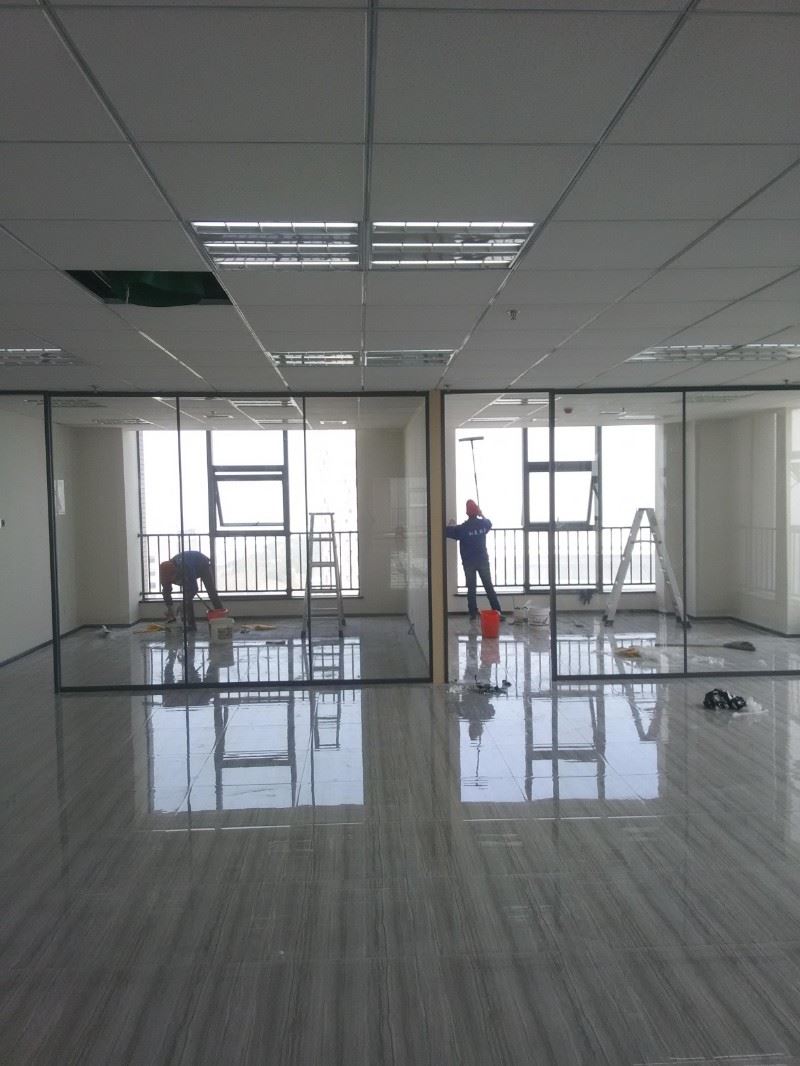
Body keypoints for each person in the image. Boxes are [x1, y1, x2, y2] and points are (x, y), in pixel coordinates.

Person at [446, 499, 503, 621]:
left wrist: (451, 525)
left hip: (468, 562)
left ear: (467, 513)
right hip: (483, 560)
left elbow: (448, 532)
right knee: (489, 587)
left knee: (471, 589)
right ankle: (497, 612)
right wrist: (481, 514)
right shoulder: (483, 524)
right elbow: (489, 523)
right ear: (476, 512)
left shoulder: (462, 529)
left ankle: (472, 613)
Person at [159, 550, 224, 631]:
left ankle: (222, 618)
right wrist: (170, 607)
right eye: (171, 580)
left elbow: (194, 588)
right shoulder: (165, 573)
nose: (173, 581)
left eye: (173, 579)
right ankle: (191, 625)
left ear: (176, 572)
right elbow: (166, 591)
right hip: (188, 566)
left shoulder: (185, 566)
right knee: (187, 597)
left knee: (211, 591)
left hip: (202, 563)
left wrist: (182, 604)